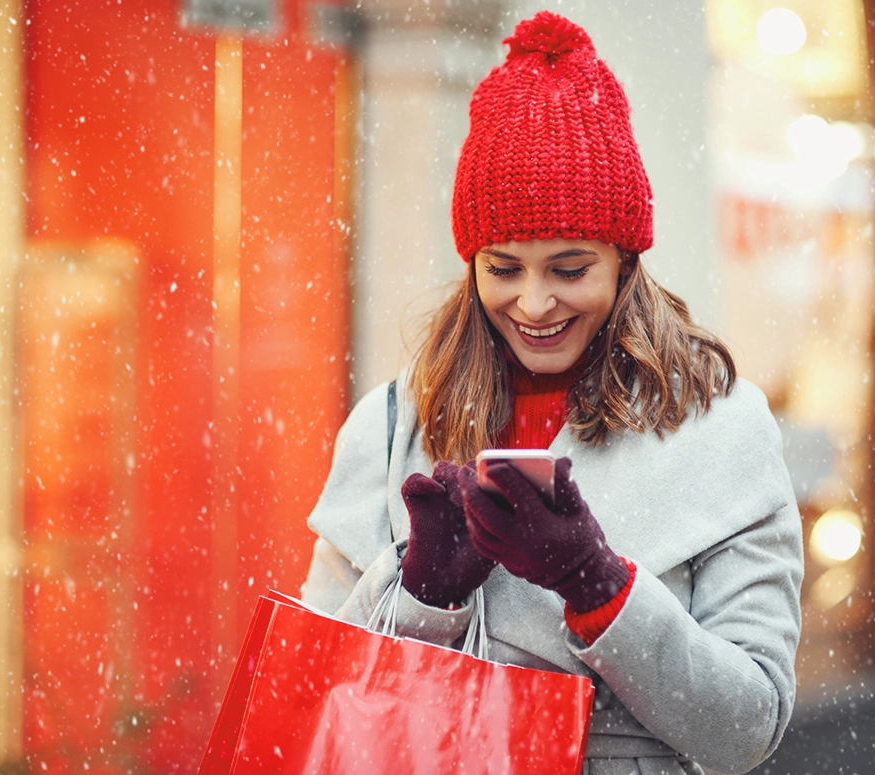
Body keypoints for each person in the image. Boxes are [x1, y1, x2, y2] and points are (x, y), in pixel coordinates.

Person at [301, 10, 803, 775]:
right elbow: (318, 693)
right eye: (504, 268)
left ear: (625, 260)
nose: (535, 305)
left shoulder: (721, 429)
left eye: (570, 269)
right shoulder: (392, 425)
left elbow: (746, 728)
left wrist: (597, 583)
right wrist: (422, 593)